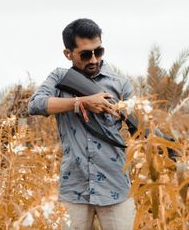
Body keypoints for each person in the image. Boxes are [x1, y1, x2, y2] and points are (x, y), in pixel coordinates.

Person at [28, 18, 136, 230]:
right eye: (85, 54)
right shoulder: (60, 78)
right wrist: (81, 102)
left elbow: (141, 128)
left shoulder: (120, 84)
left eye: (99, 51)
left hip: (115, 186)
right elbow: (35, 105)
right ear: (68, 54)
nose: (94, 59)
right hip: (74, 188)